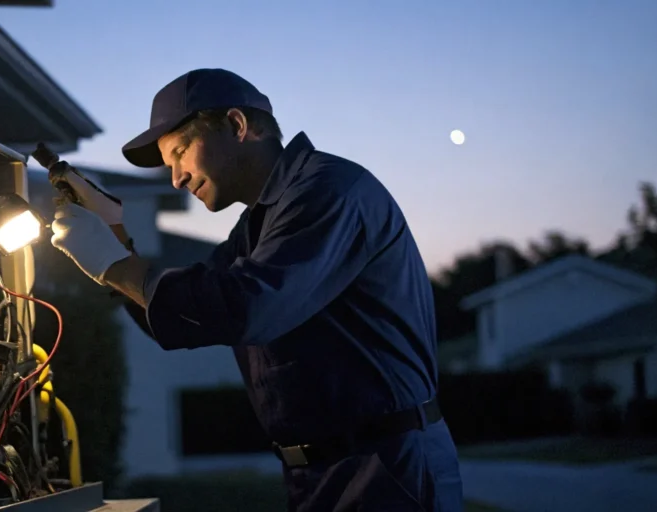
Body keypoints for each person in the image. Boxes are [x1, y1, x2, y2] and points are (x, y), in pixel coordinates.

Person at [48, 68, 463, 511]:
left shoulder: (330, 190)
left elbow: (246, 306)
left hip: (386, 468)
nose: (176, 178)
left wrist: (113, 265)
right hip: (322, 473)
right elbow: (188, 312)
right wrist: (114, 234)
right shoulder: (258, 225)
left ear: (237, 126)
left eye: (181, 152)